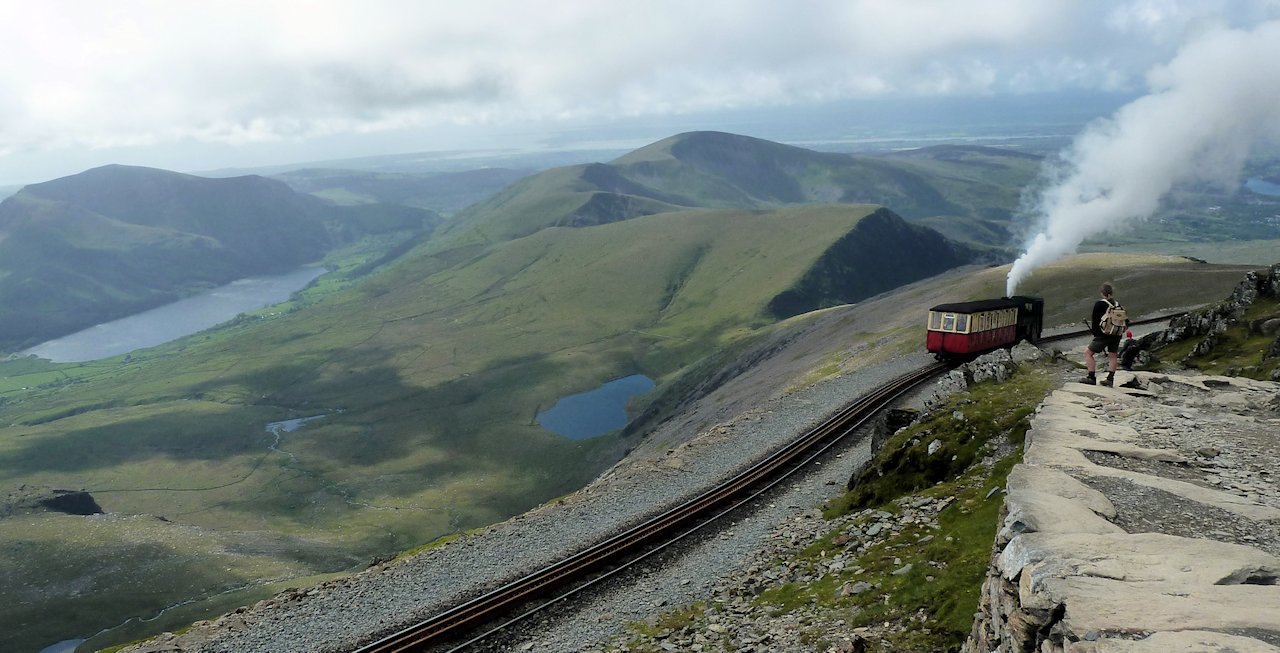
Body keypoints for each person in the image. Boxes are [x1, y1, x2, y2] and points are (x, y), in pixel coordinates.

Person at [1083, 283, 1123, 386]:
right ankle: (1110, 379)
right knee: (1113, 356)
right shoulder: (1117, 304)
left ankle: (1091, 377)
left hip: (1103, 335)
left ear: (1102, 293)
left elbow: (1095, 321)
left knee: (1088, 353)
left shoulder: (1099, 304)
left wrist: (1096, 334)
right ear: (1111, 293)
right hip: (1117, 334)